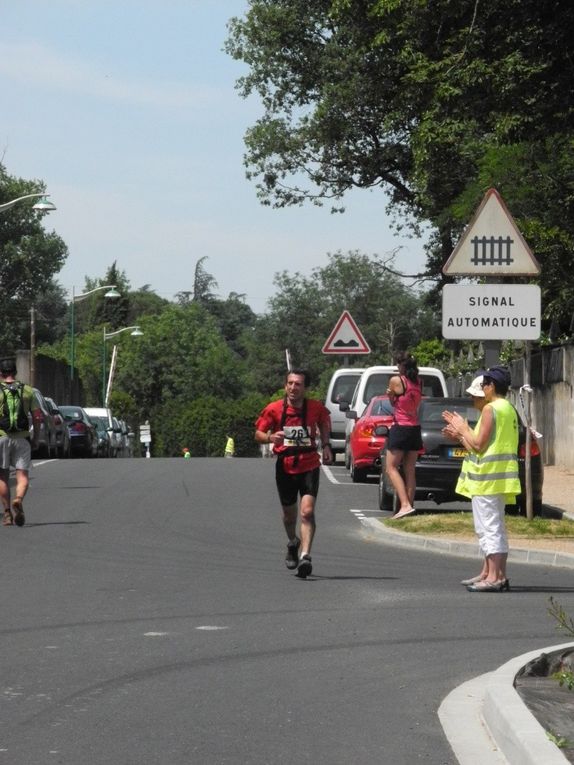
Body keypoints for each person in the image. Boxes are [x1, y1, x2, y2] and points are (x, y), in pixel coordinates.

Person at [442, 366, 520, 593]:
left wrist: (462, 429)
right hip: (499, 477)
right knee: (495, 527)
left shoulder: (490, 410)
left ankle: (494, 577)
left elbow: (478, 445)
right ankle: (496, 574)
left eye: (484, 385)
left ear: (491, 386)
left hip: (487, 478)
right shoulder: (508, 408)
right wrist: (461, 434)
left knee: (489, 528)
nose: (482, 389)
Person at [254, 369, 333, 578]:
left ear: (305, 388)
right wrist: (271, 438)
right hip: (285, 465)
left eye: (298, 384)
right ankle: (293, 542)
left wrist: (326, 445)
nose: (293, 387)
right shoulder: (274, 409)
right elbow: (258, 433)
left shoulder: (315, 407)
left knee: (307, 512)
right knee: (289, 516)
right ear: (284, 385)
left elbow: (325, 421)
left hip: (309, 464)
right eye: (290, 383)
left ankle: (306, 556)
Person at [0, 359, 39, 527]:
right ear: (15, 373)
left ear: (0, 373)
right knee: (22, 476)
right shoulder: (28, 391)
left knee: (2, 476)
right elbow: (37, 417)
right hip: (22, 438)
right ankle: (18, 499)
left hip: (1, 437)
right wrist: (35, 437)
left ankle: (7, 513)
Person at [385, 352, 423, 520]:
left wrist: (390, 395)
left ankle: (405, 505)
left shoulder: (396, 381)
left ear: (401, 366)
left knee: (391, 468)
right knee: (410, 470)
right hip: (415, 428)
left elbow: (393, 403)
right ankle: (410, 506)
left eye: (398, 365)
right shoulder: (418, 382)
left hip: (400, 427)